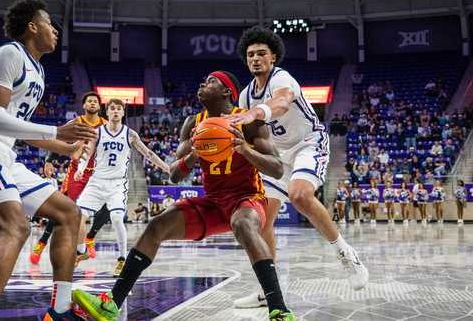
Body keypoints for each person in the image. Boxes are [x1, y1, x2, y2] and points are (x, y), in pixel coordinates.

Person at [73, 71, 296, 321]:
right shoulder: (193, 122)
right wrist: (193, 155)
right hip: (212, 202)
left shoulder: (248, 121)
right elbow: (175, 175)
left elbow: (277, 169)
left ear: (228, 92)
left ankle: (279, 309)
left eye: (212, 81)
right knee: (157, 225)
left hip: (247, 198)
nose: (203, 83)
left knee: (243, 223)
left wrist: (244, 149)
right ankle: (111, 303)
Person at [0, 0, 97, 321]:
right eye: (49, 23)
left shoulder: (37, 70)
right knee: (15, 227)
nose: (55, 30)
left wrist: (64, 147)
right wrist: (57, 130)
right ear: (32, 27)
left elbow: (16, 128)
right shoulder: (9, 54)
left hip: (3, 153)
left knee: (69, 213)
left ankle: (60, 311)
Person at [227, 26, 367, 306]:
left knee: (300, 195)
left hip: (308, 143)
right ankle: (268, 291)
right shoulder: (244, 96)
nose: (255, 58)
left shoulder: (282, 79)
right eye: (251, 54)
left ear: (273, 57)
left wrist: (257, 112)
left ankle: (346, 255)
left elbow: (280, 103)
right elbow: (253, 135)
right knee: (260, 219)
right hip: (278, 154)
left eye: (261, 53)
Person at [74, 98, 170, 277]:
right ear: (107, 112)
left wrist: (166, 167)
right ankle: (81, 252)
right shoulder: (98, 132)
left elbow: (147, 153)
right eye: (113, 109)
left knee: (117, 218)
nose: (116, 111)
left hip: (117, 183)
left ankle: (121, 259)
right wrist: (80, 169)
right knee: (78, 216)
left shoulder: (130, 134)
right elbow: (87, 153)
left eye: (119, 109)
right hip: (97, 181)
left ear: (123, 113)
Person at [30, 91, 108, 265]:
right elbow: (60, 138)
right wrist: (50, 160)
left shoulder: (106, 125)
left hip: (98, 172)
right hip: (77, 172)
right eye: (89, 101)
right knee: (68, 210)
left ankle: (89, 238)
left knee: (109, 208)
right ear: (84, 105)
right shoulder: (76, 123)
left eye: (95, 101)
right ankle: (42, 243)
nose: (93, 103)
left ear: (99, 106)